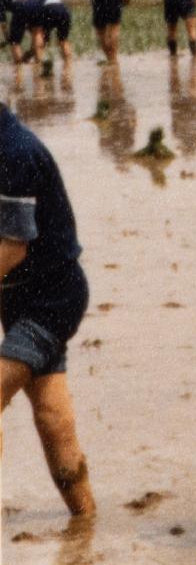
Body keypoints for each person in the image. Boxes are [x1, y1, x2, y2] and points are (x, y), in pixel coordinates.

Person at [0, 103, 96, 516]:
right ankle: (85, 522)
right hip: (16, 296)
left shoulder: (16, 153)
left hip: (52, 297)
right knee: (53, 416)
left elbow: (12, 248)